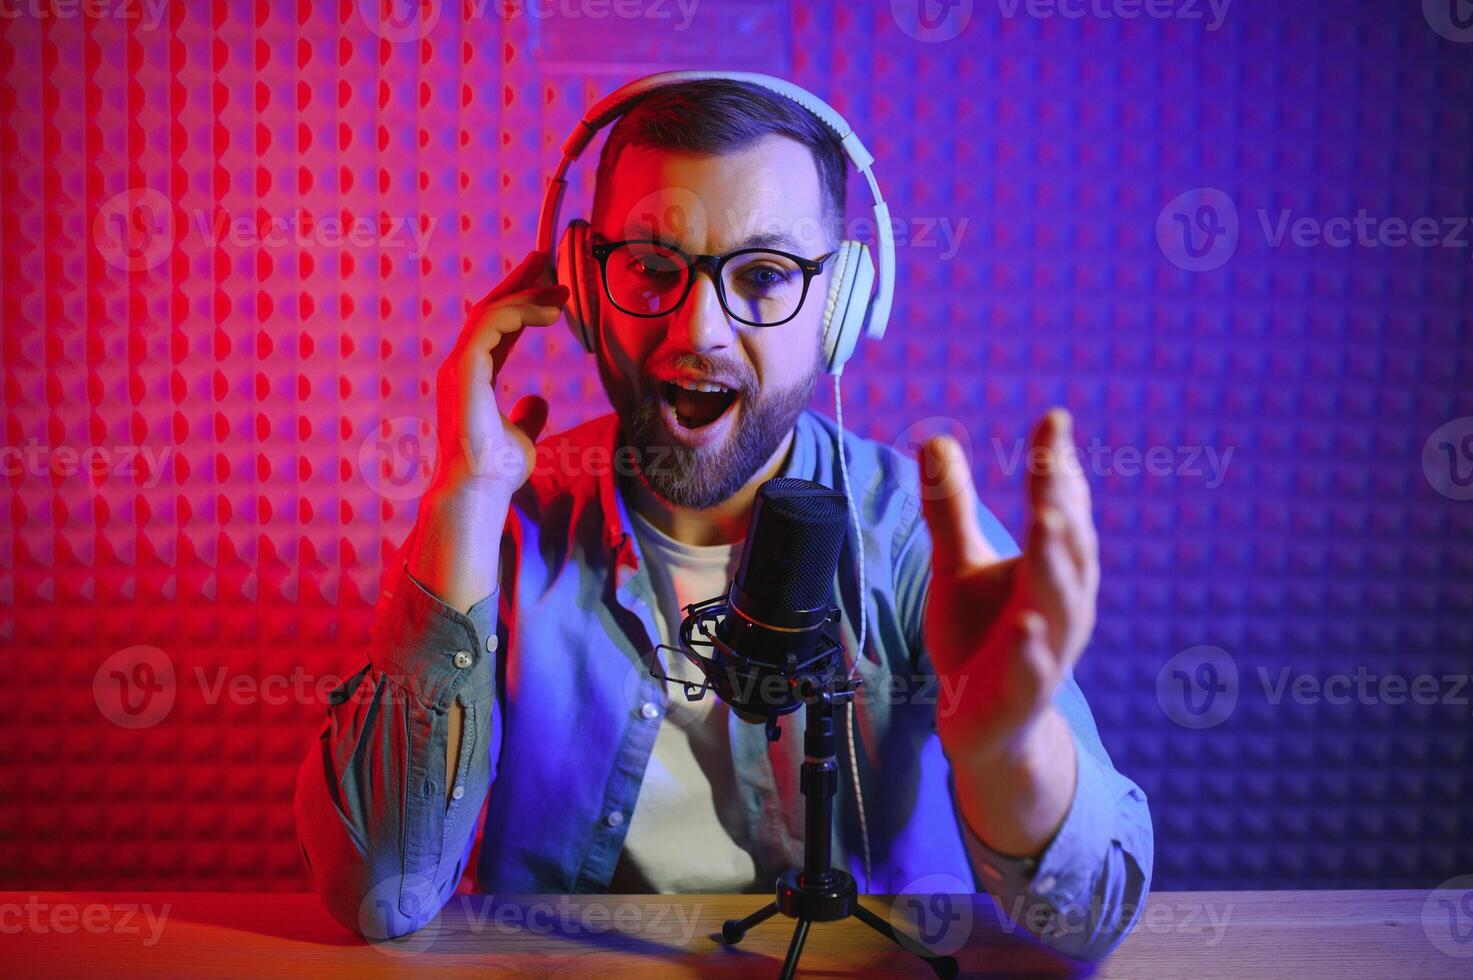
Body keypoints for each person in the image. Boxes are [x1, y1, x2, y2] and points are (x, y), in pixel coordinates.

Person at [293, 77, 1153, 962]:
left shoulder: (915, 540)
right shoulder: (503, 527)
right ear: (588, 289)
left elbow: (1085, 926)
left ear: (841, 304)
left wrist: (1011, 751)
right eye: (651, 268)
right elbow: (378, 899)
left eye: (766, 273)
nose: (697, 328)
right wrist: (464, 498)